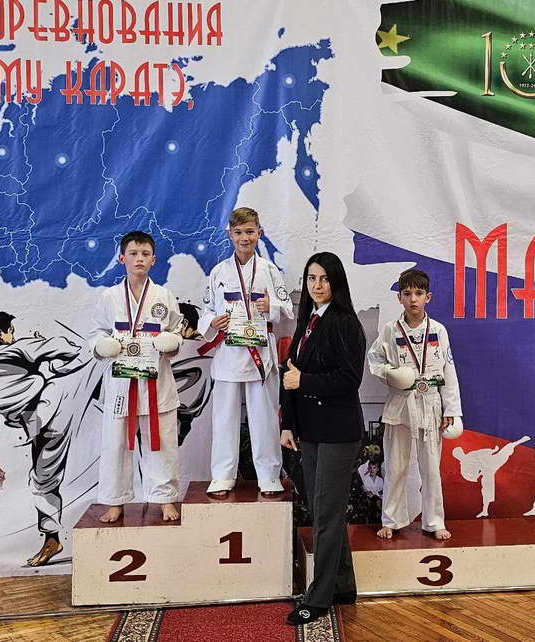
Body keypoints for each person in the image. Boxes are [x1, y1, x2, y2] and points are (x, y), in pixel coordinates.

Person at [0, 310, 101, 566]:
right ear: (0, 334)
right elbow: (67, 348)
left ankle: (52, 537)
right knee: (42, 477)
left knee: (43, 477)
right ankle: (52, 539)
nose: (14, 336)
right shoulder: (16, 349)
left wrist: (43, 367)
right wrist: (48, 361)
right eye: (11, 332)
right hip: (50, 403)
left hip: (36, 415)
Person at [279, 252, 366, 625]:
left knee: (326, 515)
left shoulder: (346, 324)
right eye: (311, 278)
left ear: (336, 282)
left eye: (324, 278)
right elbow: (289, 374)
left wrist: (305, 381)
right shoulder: (307, 321)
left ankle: (318, 598)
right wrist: (288, 424)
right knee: (323, 512)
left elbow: (349, 380)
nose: (317, 285)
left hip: (338, 432)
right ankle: (343, 586)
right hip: (311, 431)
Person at [90, 230, 184, 523]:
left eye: (145, 254)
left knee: (162, 442)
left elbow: (177, 330)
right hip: (121, 383)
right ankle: (115, 501)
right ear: (122, 258)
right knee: (115, 444)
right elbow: (97, 332)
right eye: (133, 253)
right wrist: (101, 345)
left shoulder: (164, 296)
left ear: (154, 260)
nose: (139, 259)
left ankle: (165, 499)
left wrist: (172, 341)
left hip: (156, 382)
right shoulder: (109, 297)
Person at [200, 207, 293, 498]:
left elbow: (287, 307)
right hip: (229, 353)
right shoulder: (219, 272)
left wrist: (271, 306)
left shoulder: (269, 270)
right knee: (224, 418)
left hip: (260, 354)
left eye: (250, 232)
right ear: (230, 234)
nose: (244, 238)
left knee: (264, 417)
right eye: (238, 232)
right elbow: (206, 310)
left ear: (259, 233)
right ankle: (222, 475)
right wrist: (212, 322)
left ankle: (269, 475)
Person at [367, 269, 462, 541]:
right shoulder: (391, 330)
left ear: (428, 297)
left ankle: (434, 521)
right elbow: (374, 359)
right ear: (399, 298)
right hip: (401, 401)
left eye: (418, 293)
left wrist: (451, 410)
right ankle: (391, 520)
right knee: (396, 465)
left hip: (430, 401)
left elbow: (449, 371)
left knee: (431, 467)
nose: (413, 299)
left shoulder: (438, 331)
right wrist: (391, 374)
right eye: (407, 294)